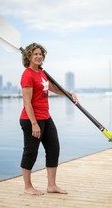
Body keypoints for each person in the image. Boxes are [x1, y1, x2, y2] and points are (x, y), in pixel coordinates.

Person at [19, 42, 78, 195]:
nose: (39, 56)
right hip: (31, 119)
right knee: (30, 152)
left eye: (41, 54)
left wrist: (69, 93)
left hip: (46, 117)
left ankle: (51, 186)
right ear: (29, 57)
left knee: (53, 149)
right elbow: (27, 102)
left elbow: (53, 88)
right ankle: (28, 187)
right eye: (35, 54)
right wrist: (34, 124)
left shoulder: (41, 73)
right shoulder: (27, 74)